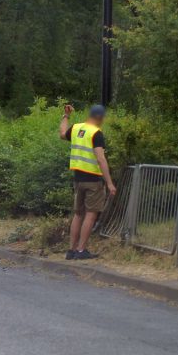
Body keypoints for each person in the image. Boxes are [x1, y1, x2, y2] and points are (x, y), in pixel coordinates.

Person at [59, 104, 117, 260]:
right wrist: (110, 183)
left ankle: (71, 251)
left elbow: (62, 134)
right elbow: (100, 158)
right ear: (99, 117)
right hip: (93, 180)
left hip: (78, 179)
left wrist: (66, 116)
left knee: (78, 214)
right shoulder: (96, 133)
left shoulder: (77, 128)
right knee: (90, 215)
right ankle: (81, 250)